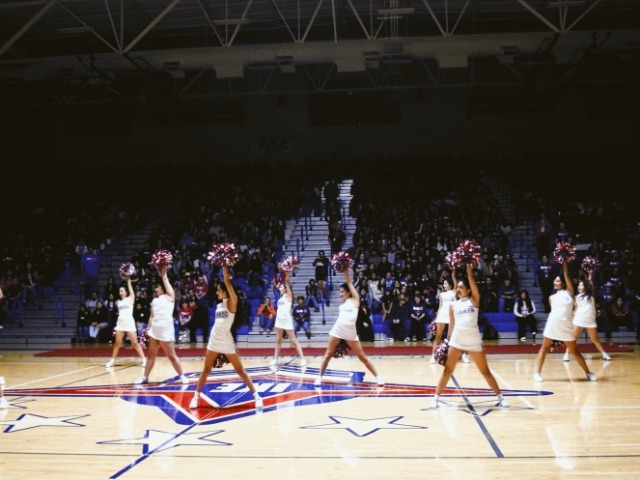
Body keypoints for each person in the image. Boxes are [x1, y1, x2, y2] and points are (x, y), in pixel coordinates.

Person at [429, 263, 510, 409]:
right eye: (458, 287)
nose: (458, 289)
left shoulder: (474, 300)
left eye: (461, 287)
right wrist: (447, 342)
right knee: (448, 371)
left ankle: (501, 397)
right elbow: (451, 326)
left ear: (468, 290)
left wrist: (468, 267)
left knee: (485, 371)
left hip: (473, 340)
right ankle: (435, 399)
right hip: (456, 340)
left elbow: (472, 280)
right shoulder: (453, 306)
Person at [189, 264, 263, 410]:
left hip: (226, 341)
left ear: (225, 291)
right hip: (213, 341)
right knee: (206, 370)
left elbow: (227, 282)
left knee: (240, 371)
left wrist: (224, 268)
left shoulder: (232, 303)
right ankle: (195, 397)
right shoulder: (219, 306)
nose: (217, 292)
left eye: (219, 290)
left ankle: (257, 397)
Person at [315, 269, 384, 387]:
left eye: (342, 291)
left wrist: (345, 271)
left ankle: (378, 377)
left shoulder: (355, 301)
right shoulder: (342, 306)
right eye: (339, 292)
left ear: (348, 292)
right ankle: (319, 377)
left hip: (350, 333)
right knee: (328, 355)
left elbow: (348, 282)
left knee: (362, 357)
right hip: (337, 331)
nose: (340, 294)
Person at [534, 259, 597, 383]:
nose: (555, 282)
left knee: (575, 351)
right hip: (552, 325)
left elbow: (566, 274)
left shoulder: (570, 293)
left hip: (566, 327)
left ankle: (588, 373)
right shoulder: (551, 297)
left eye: (557, 281)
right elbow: (555, 313)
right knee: (544, 348)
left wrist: (564, 263)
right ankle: (537, 373)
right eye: (555, 281)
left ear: (563, 283)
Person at [135, 265, 189, 385]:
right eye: (155, 288)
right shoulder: (154, 301)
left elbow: (165, 280)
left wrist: (163, 273)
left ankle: (182, 376)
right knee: (151, 355)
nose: (155, 289)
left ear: (163, 288)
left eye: (157, 287)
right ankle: (145, 377)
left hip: (166, 330)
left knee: (171, 356)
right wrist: (145, 331)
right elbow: (151, 316)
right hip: (154, 331)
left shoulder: (170, 297)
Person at [564, 270, 611, 362]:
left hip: (590, 321)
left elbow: (590, 284)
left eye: (581, 285)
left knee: (595, 339)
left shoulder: (590, 295)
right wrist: (572, 318)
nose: (579, 287)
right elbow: (575, 309)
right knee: (573, 338)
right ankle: (566, 355)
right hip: (579, 319)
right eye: (579, 285)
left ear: (585, 287)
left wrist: (590, 275)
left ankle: (604, 354)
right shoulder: (577, 297)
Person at [105, 276, 147, 368]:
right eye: (120, 291)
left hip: (129, 323)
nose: (121, 293)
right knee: (117, 343)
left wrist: (128, 282)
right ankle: (112, 360)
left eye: (122, 291)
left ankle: (144, 359)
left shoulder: (130, 299)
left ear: (126, 292)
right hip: (120, 324)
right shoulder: (117, 302)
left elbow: (131, 290)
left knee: (135, 343)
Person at [270, 271, 306, 370]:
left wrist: (287, 272)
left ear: (286, 289)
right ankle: (275, 359)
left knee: (294, 340)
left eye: (282, 287)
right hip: (278, 320)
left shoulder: (289, 296)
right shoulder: (281, 297)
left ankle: (303, 359)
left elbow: (287, 281)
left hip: (286, 320)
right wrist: (274, 281)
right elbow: (277, 285)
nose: (280, 288)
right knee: (278, 340)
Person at [431, 273, 470, 364]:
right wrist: (436, 319)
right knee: (438, 337)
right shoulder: (441, 295)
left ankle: (463, 355)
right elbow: (440, 307)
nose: (443, 285)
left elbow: (455, 284)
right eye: (443, 284)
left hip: (452, 316)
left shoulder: (454, 292)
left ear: (450, 285)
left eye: (445, 283)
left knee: (454, 337)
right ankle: (433, 355)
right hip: (442, 315)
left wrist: (453, 274)